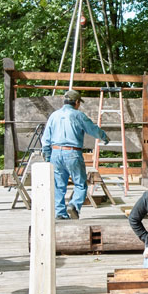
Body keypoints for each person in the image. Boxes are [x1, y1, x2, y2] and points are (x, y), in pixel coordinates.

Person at [41, 90, 110, 220]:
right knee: (80, 184)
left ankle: (60, 213)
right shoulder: (78, 115)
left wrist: (48, 156)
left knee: (59, 185)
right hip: (72, 152)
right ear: (77, 102)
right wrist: (104, 137)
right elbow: (92, 129)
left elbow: (46, 139)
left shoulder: (54, 116)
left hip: (56, 152)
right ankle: (74, 205)